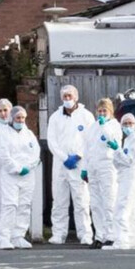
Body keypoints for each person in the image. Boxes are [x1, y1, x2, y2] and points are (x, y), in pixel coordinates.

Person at [47, 85, 95, 246]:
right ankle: (58, 234)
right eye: (65, 96)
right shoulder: (55, 117)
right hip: (60, 165)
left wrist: (78, 155)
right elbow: (51, 141)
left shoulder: (86, 116)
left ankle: (85, 234)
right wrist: (64, 157)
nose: (67, 99)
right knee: (59, 201)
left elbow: (91, 139)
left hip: (80, 163)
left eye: (70, 96)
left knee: (82, 200)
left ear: (76, 97)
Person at [0, 106, 41, 250]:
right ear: (12, 119)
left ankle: (18, 236)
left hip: (28, 175)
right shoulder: (4, 134)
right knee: (10, 205)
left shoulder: (29, 134)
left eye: (22, 118)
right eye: (18, 118)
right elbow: (4, 156)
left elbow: (36, 153)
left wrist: (28, 167)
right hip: (10, 176)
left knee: (24, 205)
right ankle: (3, 237)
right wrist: (18, 168)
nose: (20, 121)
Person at [104, 113, 135, 250]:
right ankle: (133, 240)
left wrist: (117, 149)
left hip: (131, 176)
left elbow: (129, 160)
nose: (128, 126)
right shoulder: (130, 139)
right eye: (125, 124)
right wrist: (119, 153)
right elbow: (120, 162)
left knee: (121, 208)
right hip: (127, 176)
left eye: (130, 123)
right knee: (132, 209)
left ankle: (121, 241)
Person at [82, 98, 122, 249]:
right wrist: (85, 168)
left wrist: (104, 125)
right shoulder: (93, 127)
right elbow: (87, 148)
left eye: (104, 111)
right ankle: (99, 235)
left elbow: (113, 142)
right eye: (99, 111)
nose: (101, 114)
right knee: (96, 203)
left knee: (109, 201)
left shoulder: (114, 126)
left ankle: (111, 235)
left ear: (110, 112)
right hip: (93, 167)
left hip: (107, 166)